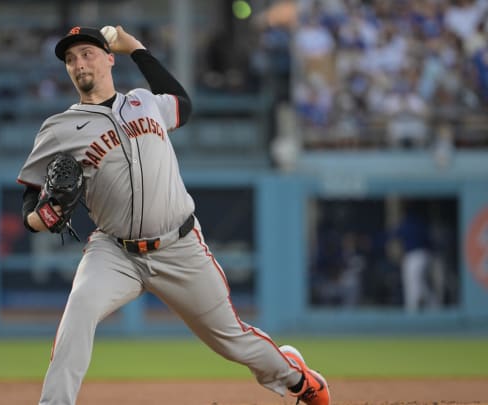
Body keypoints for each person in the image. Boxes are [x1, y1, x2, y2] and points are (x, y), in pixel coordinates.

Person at [17, 26, 330, 405]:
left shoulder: (144, 102)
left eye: (87, 53)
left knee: (231, 339)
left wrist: (137, 49)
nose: (79, 63)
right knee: (78, 313)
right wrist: (40, 218)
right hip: (115, 253)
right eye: (70, 59)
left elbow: (184, 102)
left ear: (108, 58)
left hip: (179, 245)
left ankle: (299, 380)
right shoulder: (58, 129)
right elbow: (30, 201)